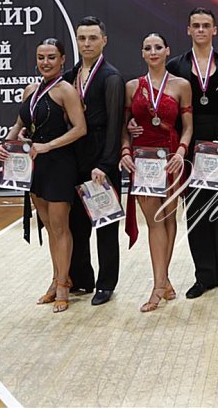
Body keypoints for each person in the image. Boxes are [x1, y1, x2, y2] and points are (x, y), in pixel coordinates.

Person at [0, 38, 86, 313]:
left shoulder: (66, 90)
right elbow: (19, 124)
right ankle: (57, 279)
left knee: (60, 228)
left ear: (62, 60)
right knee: (48, 227)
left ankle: (63, 286)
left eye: (51, 57)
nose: (45, 62)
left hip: (59, 164)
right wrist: (5, 143)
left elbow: (80, 128)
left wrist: (48, 146)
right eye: (41, 57)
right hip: (36, 166)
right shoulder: (31, 90)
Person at [165, 8, 218, 299]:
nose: (200, 30)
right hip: (188, 145)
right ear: (188, 30)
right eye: (195, 25)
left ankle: (216, 271)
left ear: (214, 30)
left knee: (213, 210)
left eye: (205, 25)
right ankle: (203, 275)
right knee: (195, 211)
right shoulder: (175, 66)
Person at [119, 33, 193, 312]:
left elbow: (188, 126)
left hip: (171, 158)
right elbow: (124, 127)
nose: (153, 51)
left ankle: (162, 281)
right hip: (143, 161)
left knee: (169, 219)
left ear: (167, 51)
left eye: (158, 47)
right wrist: (125, 150)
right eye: (147, 48)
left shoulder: (181, 85)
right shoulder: (131, 87)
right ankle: (159, 284)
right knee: (154, 222)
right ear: (142, 53)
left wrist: (182, 152)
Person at [64, 16, 125, 306]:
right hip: (74, 157)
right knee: (77, 224)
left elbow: (115, 125)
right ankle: (82, 279)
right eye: (82, 38)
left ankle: (106, 284)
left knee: (106, 225)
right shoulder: (70, 75)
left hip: (102, 159)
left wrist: (106, 163)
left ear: (104, 41)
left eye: (92, 38)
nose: (87, 43)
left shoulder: (111, 77)